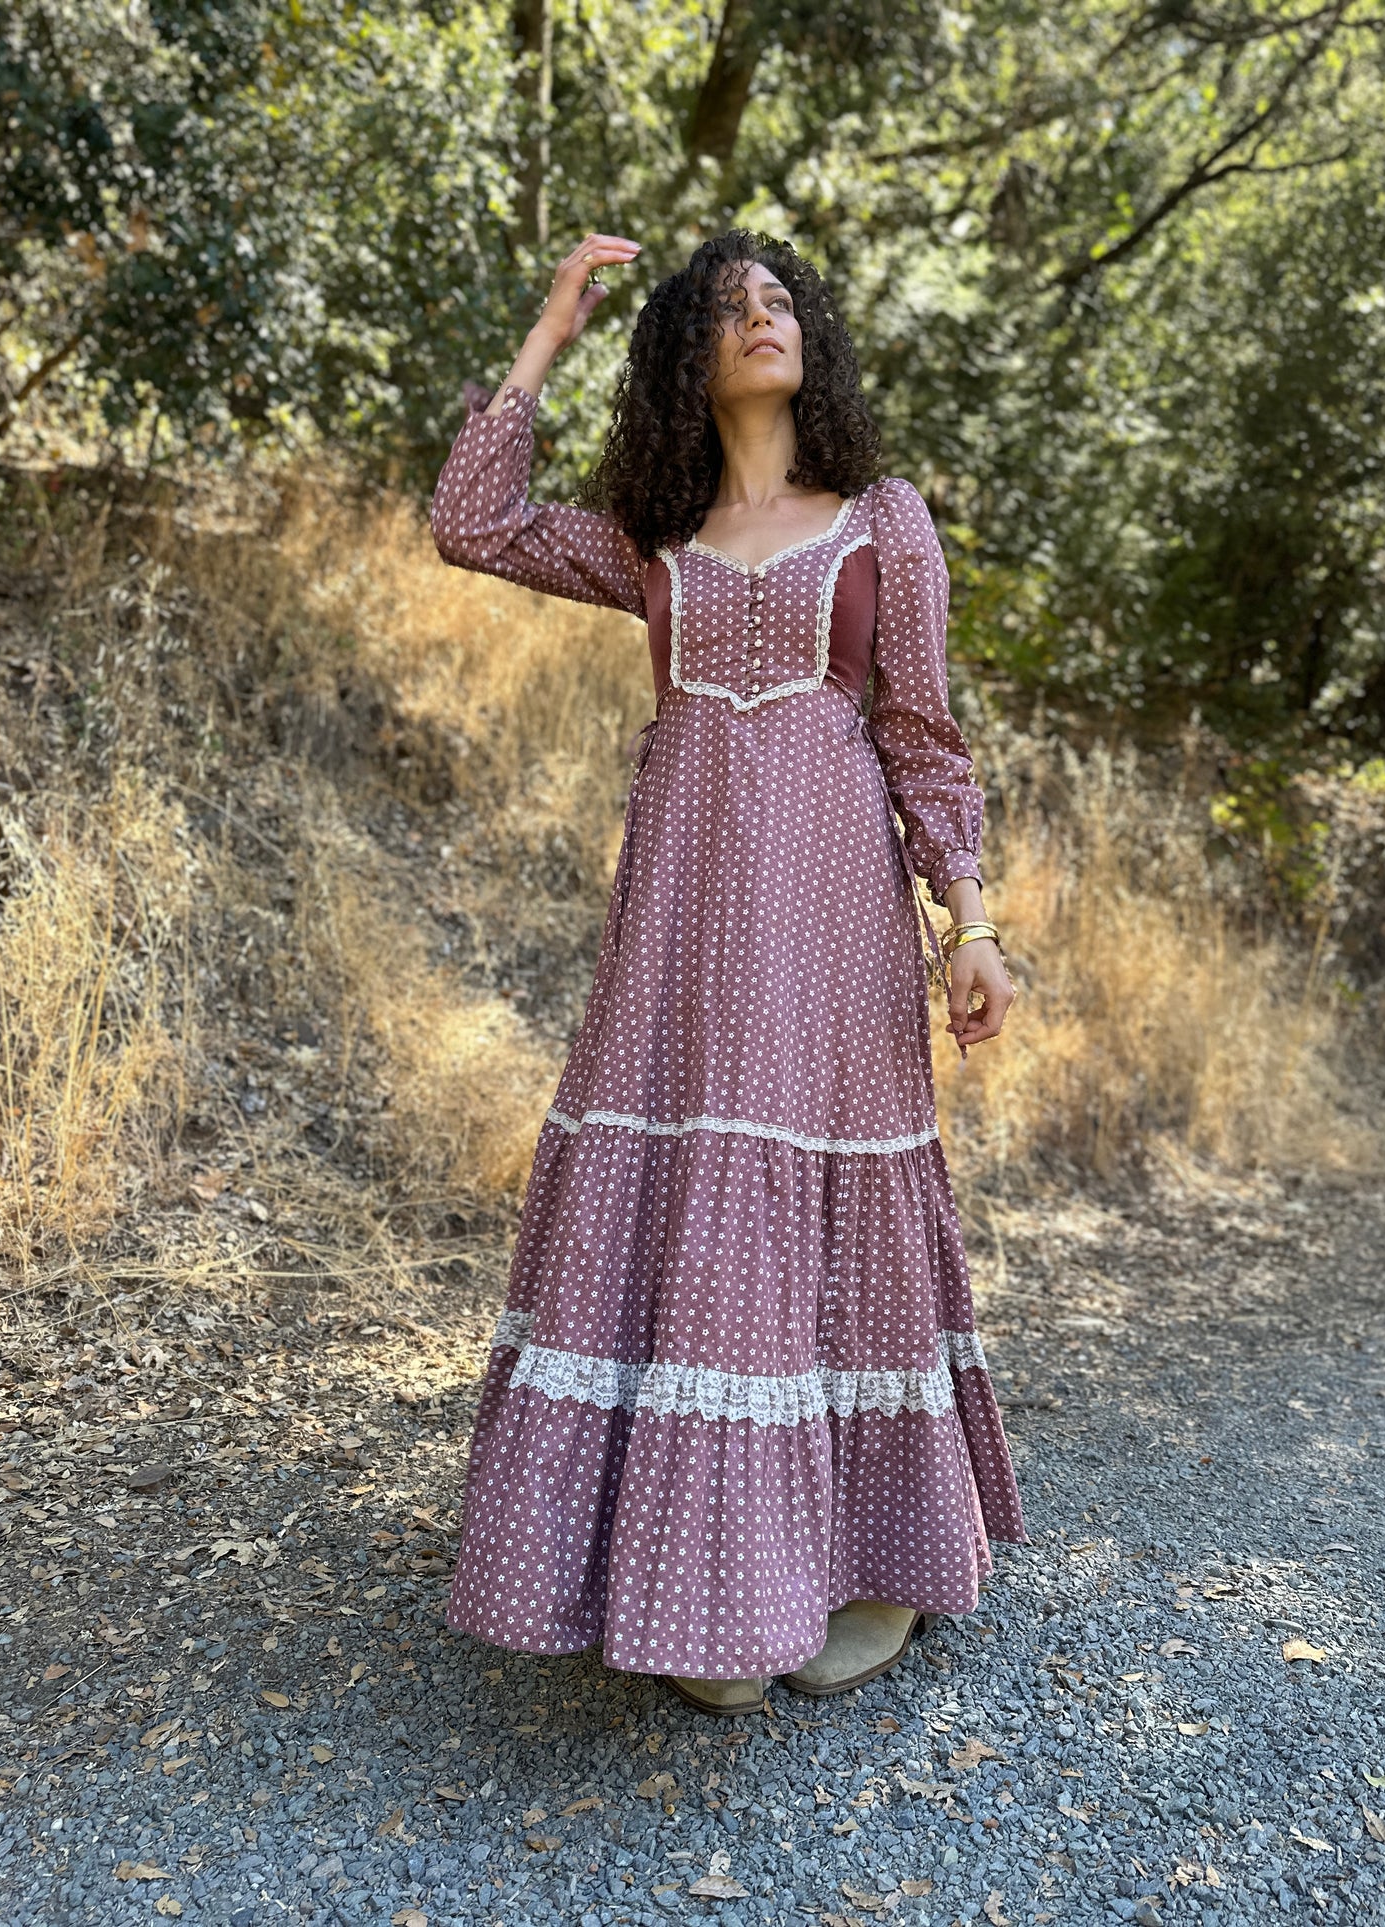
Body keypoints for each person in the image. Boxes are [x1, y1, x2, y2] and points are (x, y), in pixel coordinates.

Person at [430, 227, 1027, 1717]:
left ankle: (870, 1565)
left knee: (835, 1198)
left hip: (831, 918)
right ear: (683, 356)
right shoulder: (650, 536)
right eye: (724, 308)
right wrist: (549, 330)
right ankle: (707, 1577)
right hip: (682, 924)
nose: (760, 319)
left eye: (779, 301)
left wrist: (970, 925)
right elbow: (469, 523)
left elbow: (922, 738)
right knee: (691, 1201)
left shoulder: (881, 520)